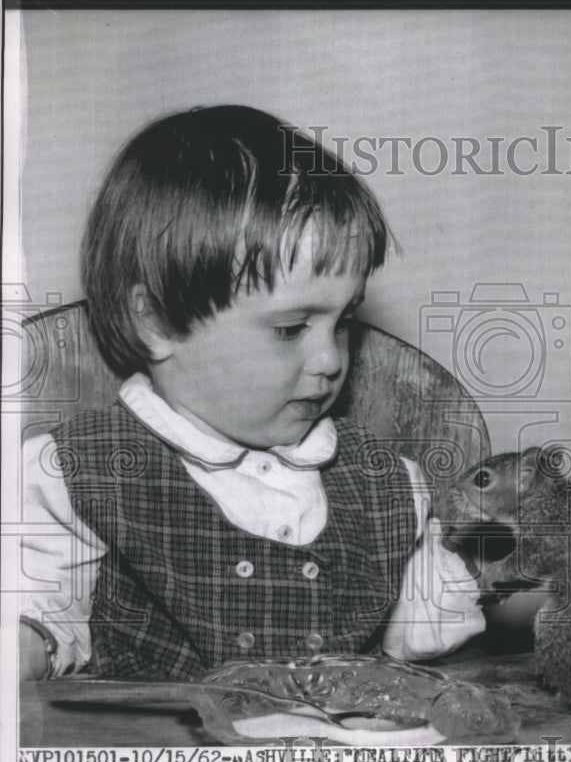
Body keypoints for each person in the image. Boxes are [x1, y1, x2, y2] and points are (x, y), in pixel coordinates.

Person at [19, 104, 484, 681]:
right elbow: (38, 617)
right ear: (158, 323)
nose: (330, 359)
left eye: (342, 323)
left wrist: (464, 580)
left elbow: (417, 639)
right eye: (291, 329)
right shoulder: (71, 474)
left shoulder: (388, 486)